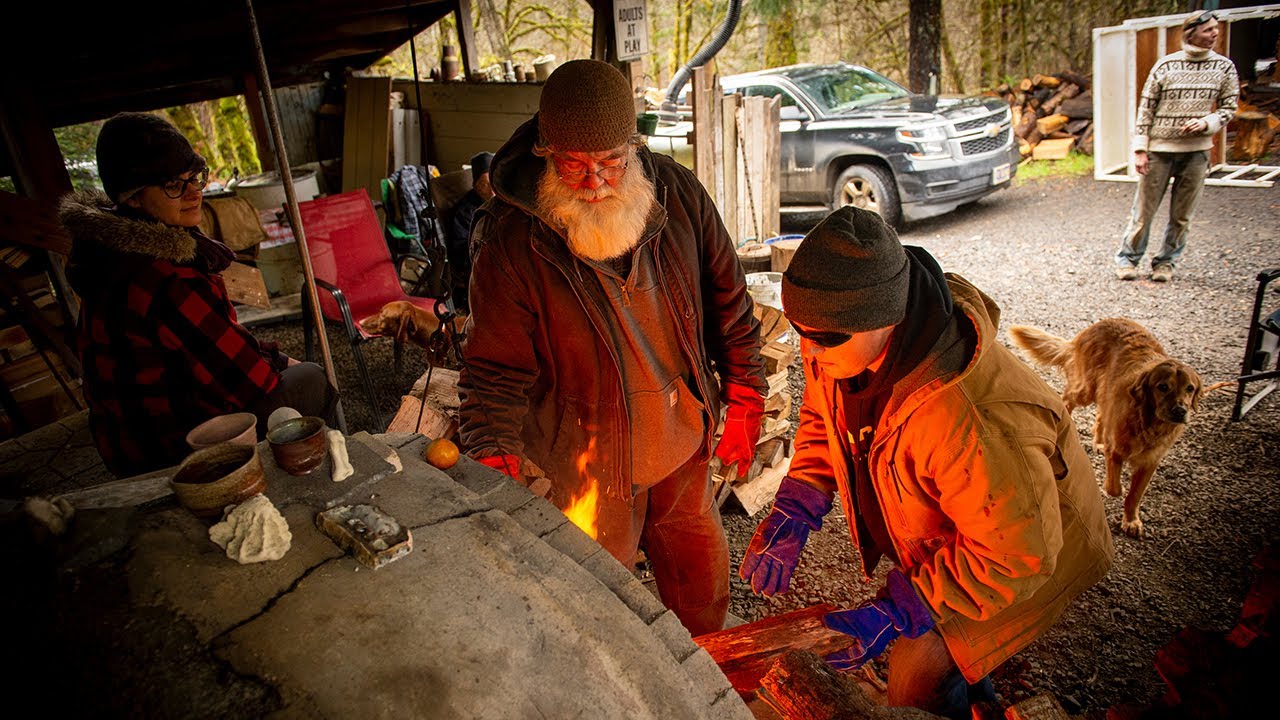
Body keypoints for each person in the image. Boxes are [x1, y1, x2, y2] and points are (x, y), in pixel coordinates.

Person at [740, 206, 1114, 719]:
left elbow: (1016, 555)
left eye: (823, 338)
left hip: (1029, 548)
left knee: (916, 672)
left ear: (886, 316)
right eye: (799, 329)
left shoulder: (966, 419)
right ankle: (976, 697)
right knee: (944, 655)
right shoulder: (839, 338)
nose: (809, 349)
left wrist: (900, 609)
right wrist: (801, 496)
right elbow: (824, 412)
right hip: (974, 532)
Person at [457, 59, 767, 636]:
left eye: (611, 163)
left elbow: (730, 297)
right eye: (575, 166)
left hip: (680, 441)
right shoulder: (511, 240)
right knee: (599, 618)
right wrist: (495, 453)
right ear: (547, 153)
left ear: (634, 145)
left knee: (702, 594)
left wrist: (747, 390)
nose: (597, 182)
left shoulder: (676, 193)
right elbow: (493, 371)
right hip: (585, 460)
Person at [58, 111, 337, 478]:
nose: (193, 193)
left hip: (122, 441)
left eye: (195, 178)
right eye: (173, 184)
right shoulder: (163, 275)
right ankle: (326, 475)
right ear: (134, 198)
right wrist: (285, 365)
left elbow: (216, 348)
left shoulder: (104, 251)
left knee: (287, 368)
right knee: (313, 380)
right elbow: (249, 380)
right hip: (169, 450)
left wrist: (276, 358)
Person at [1115, 10, 1238, 283]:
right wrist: (1140, 149)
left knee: (1182, 216)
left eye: (1216, 29)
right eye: (1208, 30)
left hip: (1196, 152)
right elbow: (1146, 108)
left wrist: (1207, 122)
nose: (1214, 34)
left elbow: (1230, 107)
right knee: (1143, 213)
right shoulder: (1166, 66)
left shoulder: (1224, 67)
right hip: (1160, 150)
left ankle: (1166, 263)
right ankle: (1128, 259)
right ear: (1191, 32)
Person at [446, 151, 495, 309]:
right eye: (485, 184)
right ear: (476, 185)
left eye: (493, 183)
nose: (491, 190)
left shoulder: (502, 202)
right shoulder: (465, 211)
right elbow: (460, 248)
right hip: (476, 260)